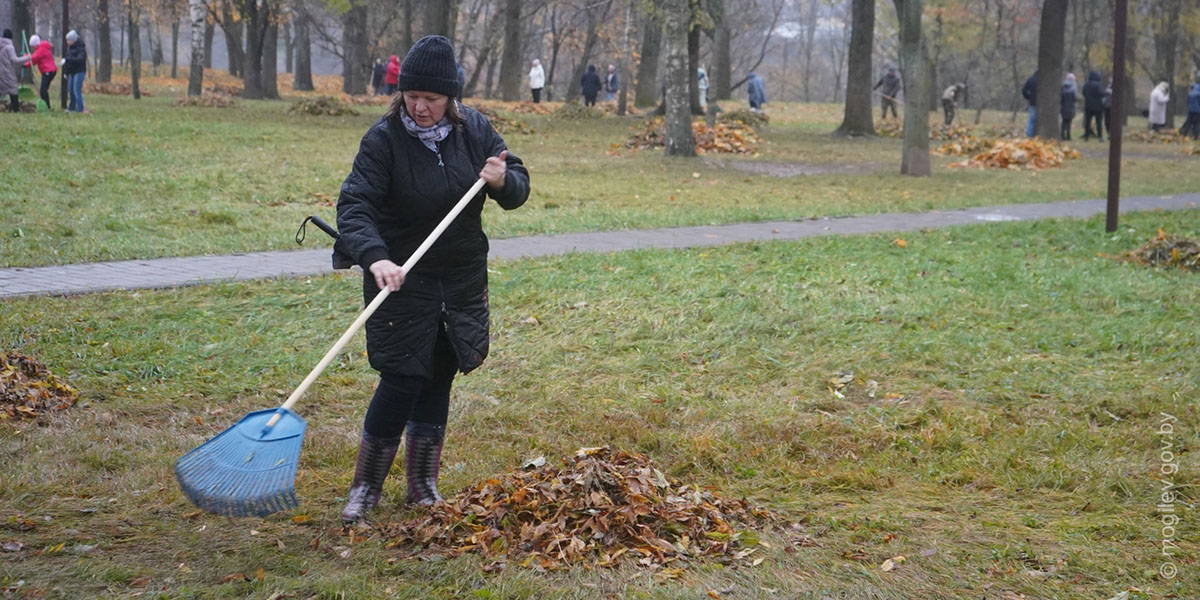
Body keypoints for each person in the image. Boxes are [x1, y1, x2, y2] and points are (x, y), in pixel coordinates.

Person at [333, 35, 530, 525]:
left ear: (451, 99)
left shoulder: (476, 129)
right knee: (401, 376)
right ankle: (365, 489)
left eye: (432, 99)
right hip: (400, 276)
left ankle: (422, 485)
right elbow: (355, 207)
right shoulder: (383, 140)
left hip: (459, 276)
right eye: (412, 96)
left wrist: (504, 179)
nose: (420, 107)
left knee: (440, 370)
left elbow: (517, 182)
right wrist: (376, 258)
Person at [1, 29, 31, 113]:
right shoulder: (9, 47)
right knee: (13, 90)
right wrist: (27, 57)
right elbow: (15, 60)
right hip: (7, 72)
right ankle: (16, 109)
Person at [26, 34, 56, 111]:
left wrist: (25, 63)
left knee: (43, 90)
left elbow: (34, 59)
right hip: (48, 71)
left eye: (32, 46)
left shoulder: (41, 50)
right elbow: (35, 59)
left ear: (36, 44)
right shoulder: (41, 48)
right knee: (43, 89)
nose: (32, 48)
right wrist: (26, 57)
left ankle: (47, 106)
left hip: (48, 71)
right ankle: (46, 105)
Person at [63, 30, 87, 113]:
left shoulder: (81, 48)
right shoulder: (70, 48)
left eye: (69, 40)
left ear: (73, 40)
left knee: (76, 90)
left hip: (79, 71)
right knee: (71, 90)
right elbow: (68, 62)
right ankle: (71, 107)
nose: (67, 42)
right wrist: (66, 72)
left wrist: (69, 59)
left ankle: (80, 108)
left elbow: (80, 59)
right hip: (72, 72)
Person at [1081, 70, 1105, 141]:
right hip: (1098, 106)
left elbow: (1084, 93)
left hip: (1088, 106)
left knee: (1088, 122)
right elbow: (1102, 93)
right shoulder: (1098, 85)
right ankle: (1100, 137)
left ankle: (1086, 136)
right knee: (1099, 122)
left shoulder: (1086, 84)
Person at [1180, 74, 1200, 140]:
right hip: (1197, 111)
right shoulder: (1198, 94)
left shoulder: (1190, 93)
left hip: (1190, 110)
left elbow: (1187, 101)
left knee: (1189, 122)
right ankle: (1195, 136)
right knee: (1196, 124)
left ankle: (1184, 134)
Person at [1060, 73, 1077, 140]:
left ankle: (1062, 135)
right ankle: (1068, 136)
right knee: (1069, 122)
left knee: (1063, 121)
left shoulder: (1062, 88)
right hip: (1071, 107)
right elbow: (1075, 98)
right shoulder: (1073, 89)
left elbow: (1060, 100)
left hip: (1063, 108)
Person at [1022, 71, 1037, 137]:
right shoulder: (1045, 81)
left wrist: (1029, 97)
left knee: (1032, 120)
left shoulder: (1030, 80)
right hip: (1044, 103)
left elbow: (1024, 90)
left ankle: (1029, 135)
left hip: (1033, 102)